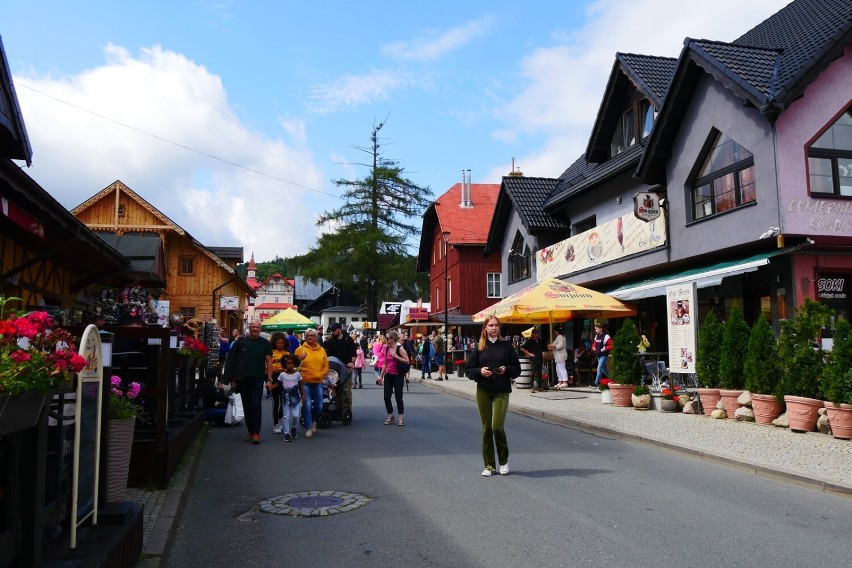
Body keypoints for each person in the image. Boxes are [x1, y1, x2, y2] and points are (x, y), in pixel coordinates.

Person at [466, 315, 521, 477]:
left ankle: (503, 461)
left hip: (501, 391)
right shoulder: (480, 347)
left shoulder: (507, 346)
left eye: (496, 325)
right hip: (484, 391)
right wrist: (480, 372)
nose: (494, 328)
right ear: (485, 328)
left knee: (497, 426)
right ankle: (489, 465)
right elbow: (469, 370)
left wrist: (506, 370)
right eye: (491, 325)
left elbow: (517, 369)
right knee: (486, 429)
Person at [222, 320, 272, 444]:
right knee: (247, 405)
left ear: (260, 329)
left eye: (257, 327)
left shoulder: (265, 343)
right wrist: (232, 379)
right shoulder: (241, 342)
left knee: (256, 404)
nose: (255, 329)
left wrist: (270, 379)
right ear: (249, 328)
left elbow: (269, 363)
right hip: (242, 378)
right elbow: (232, 360)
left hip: (258, 378)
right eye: (253, 327)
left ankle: (256, 432)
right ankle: (250, 430)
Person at [295, 328, 328, 439]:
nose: (309, 337)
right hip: (304, 382)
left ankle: (313, 420)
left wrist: (322, 374)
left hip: (318, 381)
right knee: (307, 405)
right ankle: (309, 427)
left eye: (311, 335)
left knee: (319, 406)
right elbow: (293, 365)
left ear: (316, 337)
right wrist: (299, 358)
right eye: (307, 335)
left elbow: (326, 365)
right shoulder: (300, 349)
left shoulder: (322, 350)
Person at [322, 322, 357, 416]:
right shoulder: (330, 341)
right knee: (336, 389)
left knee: (346, 390)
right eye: (331, 331)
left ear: (339, 329)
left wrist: (352, 363)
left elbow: (353, 353)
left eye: (333, 330)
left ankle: (347, 411)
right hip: (335, 368)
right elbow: (328, 356)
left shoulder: (348, 339)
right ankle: (338, 410)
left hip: (346, 367)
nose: (332, 332)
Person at [379, 330, 408, 426]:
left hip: (397, 375)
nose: (386, 340)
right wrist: (381, 376)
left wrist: (396, 357)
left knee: (398, 397)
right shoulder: (387, 349)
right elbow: (385, 364)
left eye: (388, 338)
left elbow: (407, 361)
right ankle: (390, 415)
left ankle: (401, 417)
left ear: (393, 339)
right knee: (386, 397)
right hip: (388, 375)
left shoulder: (400, 349)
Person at [276, 355, 304, 442]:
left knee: (296, 415)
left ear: (295, 364)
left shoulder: (297, 374)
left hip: (295, 398)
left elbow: (301, 385)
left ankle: (293, 427)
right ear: (285, 365)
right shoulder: (282, 375)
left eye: (292, 364)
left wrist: (303, 395)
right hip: (286, 398)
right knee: (286, 416)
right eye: (288, 364)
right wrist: (271, 386)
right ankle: (287, 433)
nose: (290, 365)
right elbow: (278, 384)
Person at [267, 333, 290, 434]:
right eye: (278, 343)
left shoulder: (287, 354)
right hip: (275, 377)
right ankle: (276, 423)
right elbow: (268, 365)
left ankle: (280, 419)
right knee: (276, 401)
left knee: (284, 400)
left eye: (282, 343)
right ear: (274, 343)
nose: (280, 344)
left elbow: (290, 366)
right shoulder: (271, 353)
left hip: (285, 378)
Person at [591, 322, 613, 388]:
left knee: (599, 368)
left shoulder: (606, 336)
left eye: (596, 329)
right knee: (604, 370)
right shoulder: (597, 336)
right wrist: (593, 347)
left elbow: (611, 345)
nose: (595, 330)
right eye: (595, 329)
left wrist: (604, 349)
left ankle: (596, 383)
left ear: (601, 329)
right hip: (598, 355)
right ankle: (613, 379)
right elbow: (594, 344)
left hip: (604, 354)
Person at [547, 325, 570, 389]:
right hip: (558, 355)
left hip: (561, 355)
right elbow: (556, 344)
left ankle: (564, 381)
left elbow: (560, 345)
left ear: (557, 331)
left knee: (561, 368)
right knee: (558, 368)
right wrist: (551, 346)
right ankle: (560, 381)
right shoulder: (561, 336)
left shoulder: (560, 336)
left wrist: (553, 346)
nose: (554, 332)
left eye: (555, 331)